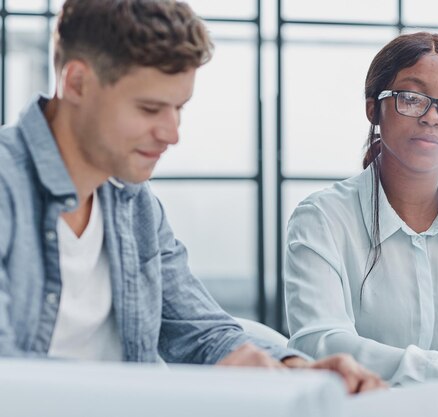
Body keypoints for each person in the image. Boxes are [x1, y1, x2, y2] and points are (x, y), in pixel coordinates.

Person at [0, 0, 384, 393]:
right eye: (150, 109)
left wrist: (297, 370)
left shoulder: (132, 203)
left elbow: (199, 329)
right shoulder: (7, 187)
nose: (172, 134)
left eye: (179, 108)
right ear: (77, 82)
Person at [284, 31, 438, 386]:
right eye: (412, 98)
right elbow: (320, 343)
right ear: (374, 108)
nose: (432, 117)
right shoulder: (321, 219)